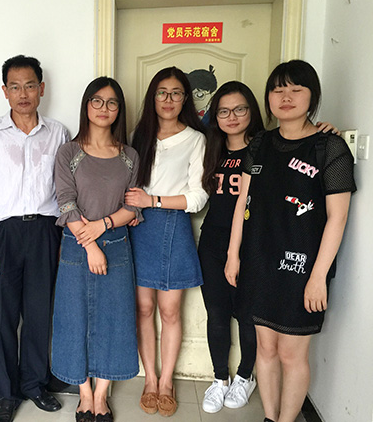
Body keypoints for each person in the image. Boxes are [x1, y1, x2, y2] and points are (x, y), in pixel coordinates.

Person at [225, 60, 355, 422]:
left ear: (312, 96)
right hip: (258, 262)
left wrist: (318, 277)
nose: (286, 97)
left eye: (296, 90)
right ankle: (271, 417)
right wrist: (233, 254)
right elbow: (242, 202)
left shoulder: (330, 149)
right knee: (265, 349)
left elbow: (338, 217)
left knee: (291, 354)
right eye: (278, 90)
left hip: (303, 269)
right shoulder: (260, 144)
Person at [0, 55, 69, 422]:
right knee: (1, 318)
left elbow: (65, 189)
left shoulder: (58, 133)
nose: (23, 93)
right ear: (5, 91)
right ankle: (5, 394)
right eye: (15, 87)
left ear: (41, 88)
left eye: (29, 86)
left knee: (40, 313)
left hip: (45, 231)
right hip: (2, 234)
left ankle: (34, 385)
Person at [51, 77, 141, 422]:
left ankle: (101, 395)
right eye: (97, 101)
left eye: (112, 102)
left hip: (117, 245)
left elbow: (133, 206)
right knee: (74, 319)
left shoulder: (129, 156)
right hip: (76, 248)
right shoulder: (69, 152)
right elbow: (65, 202)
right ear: (86, 105)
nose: (104, 108)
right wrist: (90, 245)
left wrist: (102, 227)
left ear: (119, 110)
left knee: (114, 320)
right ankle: (84, 394)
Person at [124, 66, 208, 417]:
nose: (169, 99)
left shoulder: (196, 139)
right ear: (153, 97)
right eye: (162, 92)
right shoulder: (137, 136)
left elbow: (199, 197)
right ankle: (150, 379)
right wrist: (137, 207)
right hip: (138, 226)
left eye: (176, 93)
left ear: (185, 98)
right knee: (143, 308)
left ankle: (167, 382)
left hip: (174, 225)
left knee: (170, 310)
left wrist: (153, 200)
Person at [198, 81, 264, 413]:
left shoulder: (266, 148)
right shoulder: (210, 149)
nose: (232, 117)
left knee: (248, 315)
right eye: (223, 111)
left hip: (253, 244)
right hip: (212, 242)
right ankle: (219, 378)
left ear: (251, 111)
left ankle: (245, 375)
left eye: (239, 109)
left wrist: (325, 129)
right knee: (217, 313)